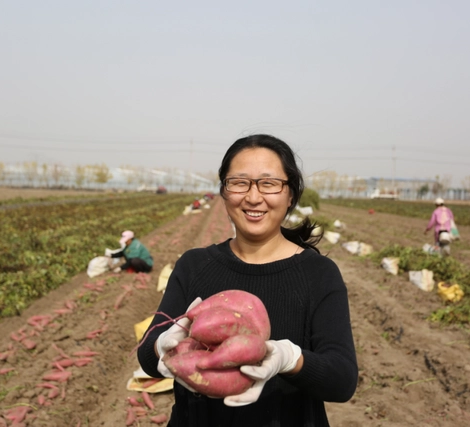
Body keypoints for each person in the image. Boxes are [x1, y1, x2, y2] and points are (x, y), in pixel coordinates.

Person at [137, 134, 358, 426]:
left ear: (290, 194)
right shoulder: (194, 265)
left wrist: (290, 359)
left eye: (269, 183)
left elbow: (342, 380)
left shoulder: (319, 274)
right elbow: (148, 357)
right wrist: (161, 346)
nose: (253, 197)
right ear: (224, 192)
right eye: (240, 183)